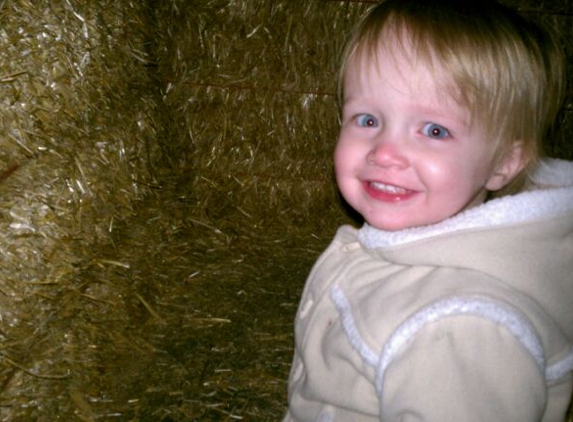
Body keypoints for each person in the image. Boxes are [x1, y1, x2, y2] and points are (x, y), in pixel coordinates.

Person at [284, 0, 573, 420]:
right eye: (367, 119)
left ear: (504, 162)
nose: (384, 151)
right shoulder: (415, 257)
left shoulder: (462, 330)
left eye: (435, 130)